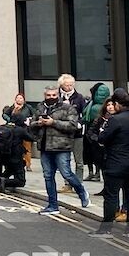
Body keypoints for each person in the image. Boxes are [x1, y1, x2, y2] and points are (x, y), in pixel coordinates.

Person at [91, 89, 129, 239]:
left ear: (117, 104)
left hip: (116, 163)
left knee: (111, 196)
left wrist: (101, 135)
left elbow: (103, 138)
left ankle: (106, 229)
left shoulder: (115, 120)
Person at [29, 85, 91, 214]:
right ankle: (52, 205)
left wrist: (53, 123)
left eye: (53, 95)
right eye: (48, 95)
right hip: (45, 146)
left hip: (61, 146)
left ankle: (82, 192)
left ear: (58, 95)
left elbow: (73, 125)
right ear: (44, 96)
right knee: (48, 176)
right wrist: (38, 123)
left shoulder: (67, 108)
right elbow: (31, 124)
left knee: (66, 173)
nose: (51, 97)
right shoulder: (40, 107)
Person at [58, 74, 87, 180]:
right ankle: (67, 184)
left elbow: (84, 114)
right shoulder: (58, 97)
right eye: (67, 85)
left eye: (71, 85)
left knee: (78, 161)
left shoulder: (79, 98)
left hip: (76, 133)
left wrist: (79, 124)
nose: (69, 87)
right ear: (62, 85)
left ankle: (78, 182)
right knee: (65, 160)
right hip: (62, 132)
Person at [82, 83, 110, 182]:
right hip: (93, 133)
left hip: (92, 132)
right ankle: (95, 173)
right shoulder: (93, 104)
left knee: (93, 154)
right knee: (93, 154)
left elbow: (85, 117)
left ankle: (94, 173)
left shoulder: (94, 106)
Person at [2, 93, 32, 170]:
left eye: (21, 98)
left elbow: (34, 115)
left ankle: (28, 164)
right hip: (13, 129)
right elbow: (4, 114)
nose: (19, 100)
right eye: (17, 98)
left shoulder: (28, 107)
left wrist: (30, 120)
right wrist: (9, 119)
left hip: (25, 129)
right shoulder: (12, 107)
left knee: (27, 147)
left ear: (24, 100)